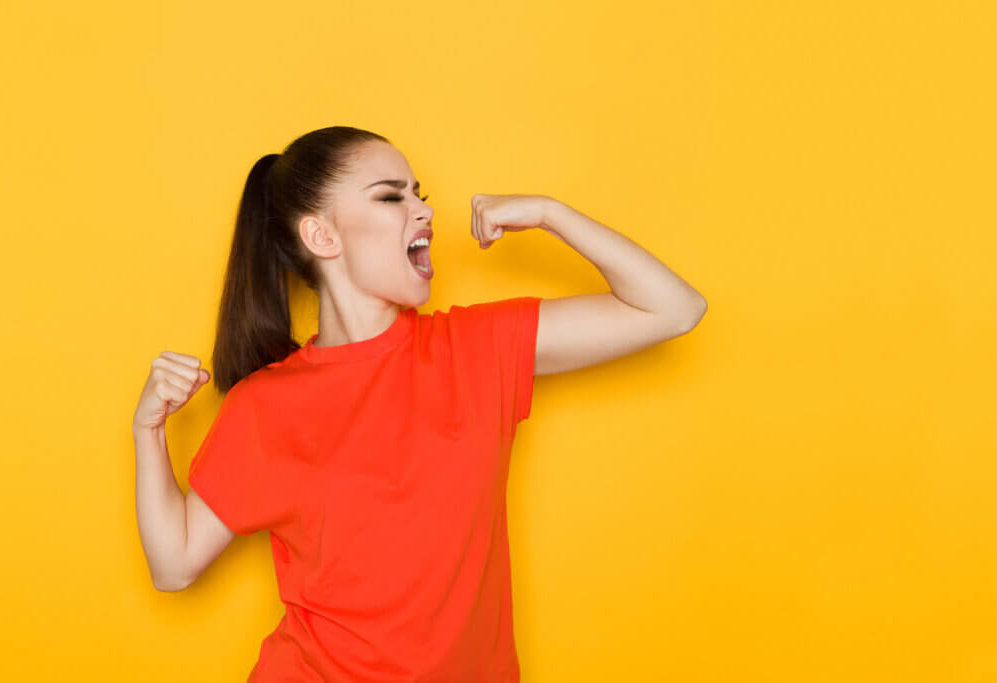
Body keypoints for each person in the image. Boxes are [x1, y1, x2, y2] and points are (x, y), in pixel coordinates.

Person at [132, 125, 707, 681]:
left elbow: (673, 309)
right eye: (390, 196)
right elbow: (175, 564)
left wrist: (550, 214)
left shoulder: (476, 349)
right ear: (322, 237)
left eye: (418, 194)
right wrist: (149, 430)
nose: (424, 211)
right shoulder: (267, 404)